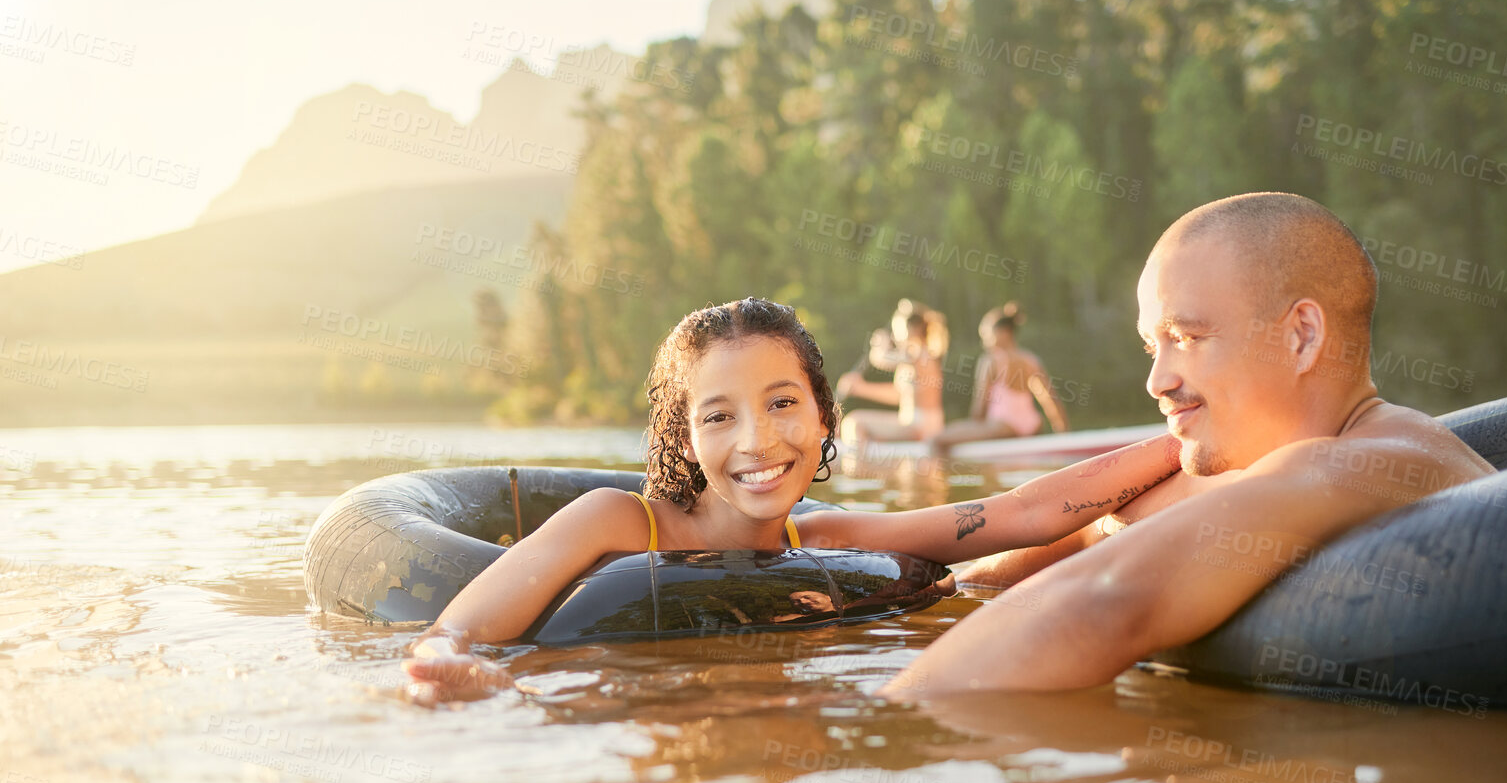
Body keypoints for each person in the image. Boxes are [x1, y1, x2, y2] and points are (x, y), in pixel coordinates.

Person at [403, 297, 1181, 704]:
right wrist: (455, 673)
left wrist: (1190, 442)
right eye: (718, 416)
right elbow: (451, 635)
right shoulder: (617, 521)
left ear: (823, 416)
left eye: (781, 404)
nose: (756, 442)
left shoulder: (828, 536)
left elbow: (1018, 514)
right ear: (684, 437)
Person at [883, 192, 1497, 697]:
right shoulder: (1250, 462)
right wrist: (892, 590)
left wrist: (874, 730)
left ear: (1302, 336)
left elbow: (1107, 601)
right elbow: (1054, 541)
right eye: (1155, 347)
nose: (1157, 380)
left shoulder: (1367, 463)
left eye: (1188, 337)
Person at [929, 302, 1068, 454]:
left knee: (936, 439)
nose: (984, 340)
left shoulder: (990, 360)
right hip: (1032, 424)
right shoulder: (1031, 360)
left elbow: (979, 410)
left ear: (1003, 332)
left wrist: (973, 429)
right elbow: (1052, 401)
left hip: (1003, 427)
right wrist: (1063, 435)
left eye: (987, 334)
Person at [833, 300, 948, 444]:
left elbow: (881, 359)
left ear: (912, 328)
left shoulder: (918, 353)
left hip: (920, 427)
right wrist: (860, 388)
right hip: (913, 424)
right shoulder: (909, 360)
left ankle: (857, 466)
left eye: (896, 330)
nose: (894, 336)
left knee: (854, 423)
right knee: (858, 425)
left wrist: (880, 347)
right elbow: (899, 395)